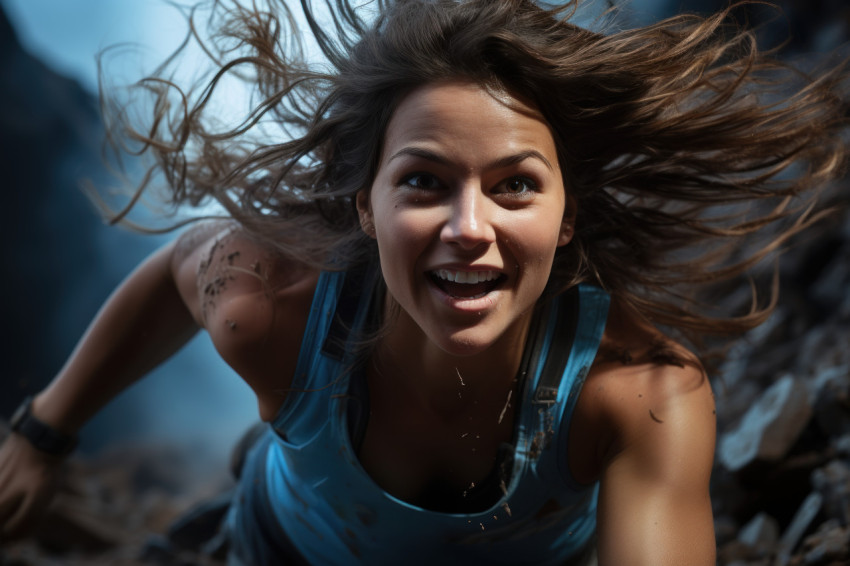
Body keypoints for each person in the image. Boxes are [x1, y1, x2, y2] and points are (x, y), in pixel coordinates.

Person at [0, 0, 846, 564]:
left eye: (515, 184)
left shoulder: (637, 395)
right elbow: (174, 273)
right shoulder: (269, 306)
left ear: (569, 214)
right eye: (423, 181)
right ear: (365, 208)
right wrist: (42, 436)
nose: (468, 228)